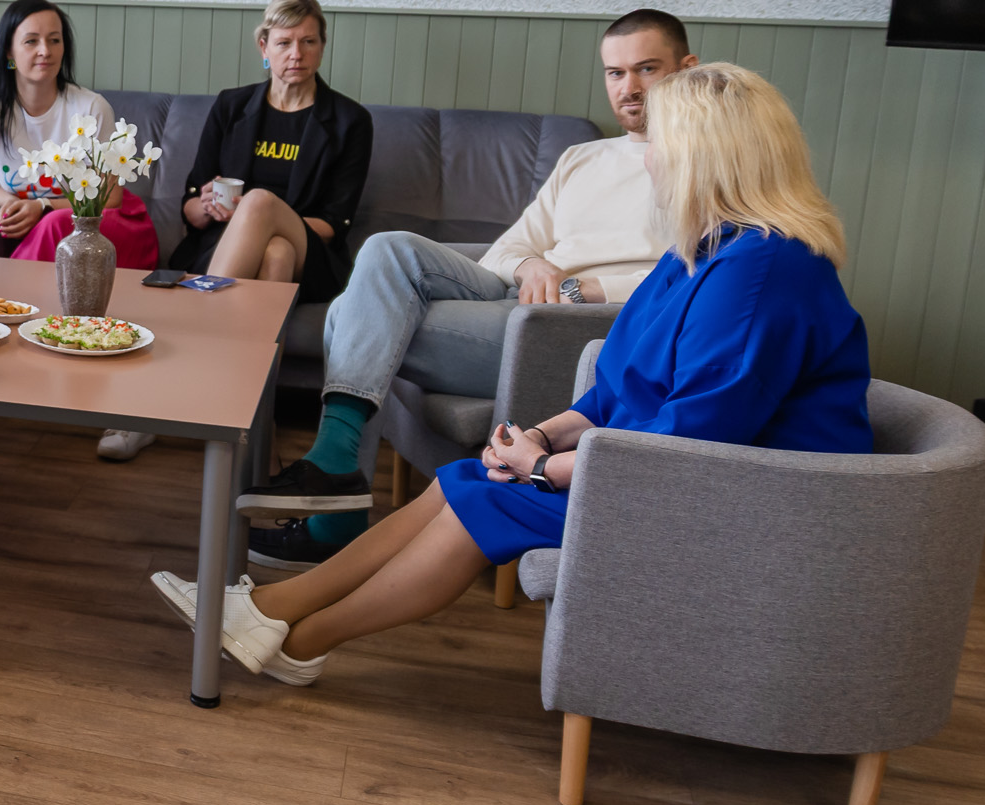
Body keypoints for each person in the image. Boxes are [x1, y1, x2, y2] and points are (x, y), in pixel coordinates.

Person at [151, 62, 868, 686]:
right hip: (655, 469)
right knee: (466, 477)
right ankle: (269, 613)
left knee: (483, 503)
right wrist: (539, 437)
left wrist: (543, 469)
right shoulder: (702, 252)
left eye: (661, 144)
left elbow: (686, 446)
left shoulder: (761, 274)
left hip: (738, 506)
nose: (649, 159)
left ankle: (299, 638)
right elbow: (617, 390)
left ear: (703, 157)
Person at [233, 8, 696, 569]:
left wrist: (588, 288)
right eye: (615, 73)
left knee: (355, 315)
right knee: (387, 248)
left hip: (572, 329)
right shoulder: (583, 157)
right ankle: (336, 488)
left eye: (647, 69)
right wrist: (532, 266)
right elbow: (506, 249)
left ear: (685, 68)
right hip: (519, 296)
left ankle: (336, 501)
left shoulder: (705, 160)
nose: (629, 88)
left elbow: (703, 277)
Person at [109, 0, 372, 467]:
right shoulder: (232, 106)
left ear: (322, 46)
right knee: (274, 254)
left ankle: (161, 394)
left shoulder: (350, 120)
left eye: (309, 42)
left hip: (315, 253)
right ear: (263, 46)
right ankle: (251, 428)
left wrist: (258, 211)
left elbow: (333, 224)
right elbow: (190, 209)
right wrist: (208, 206)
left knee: (262, 206)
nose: (297, 54)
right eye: (285, 42)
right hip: (224, 243)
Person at [0, 0, 165, 464]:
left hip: (110, 227)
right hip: (46, 228)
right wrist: (12, 203)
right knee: (53, 225)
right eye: (31, 40)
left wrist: (41, 206)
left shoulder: (89, 107)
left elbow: (110, 197)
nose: (44, 51)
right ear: (9, 51)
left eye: (54, 40)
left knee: (57, 223)